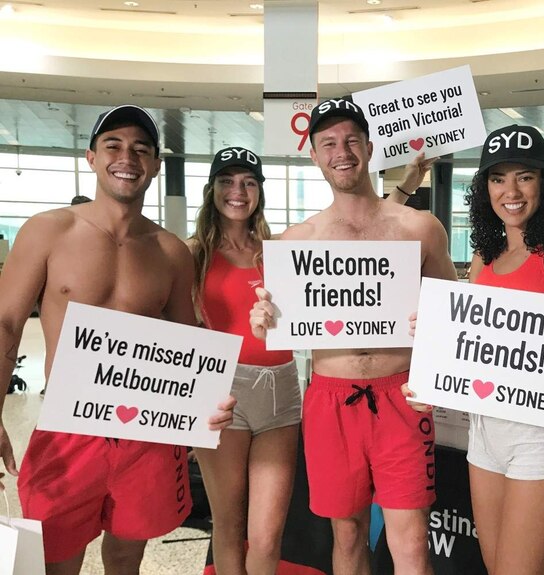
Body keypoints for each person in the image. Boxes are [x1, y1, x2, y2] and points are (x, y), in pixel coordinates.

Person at [0, 104, 235, 575]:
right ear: (90, 157)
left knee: (127, 557)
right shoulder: (48, 232)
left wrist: (204, 403)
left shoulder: (170, 252)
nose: (127, 157)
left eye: (140, 149)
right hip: (69, 428)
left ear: (154, 165)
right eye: (113, 145)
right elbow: (6, 325)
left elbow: (187, 341)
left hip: (145, 433)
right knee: (57, 558)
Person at [250, 98, 457, 575]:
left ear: (369, 146)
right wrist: (265, 318)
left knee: (411, 544)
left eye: (350, 140)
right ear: (315, 155)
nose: (341, 152)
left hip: (400, 395)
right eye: (328, 143)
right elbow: (278, 323)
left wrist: (433, 325)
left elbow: (453, 319)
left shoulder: (419, 229)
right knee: (346, 538)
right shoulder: (297, 241)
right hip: (329, 399)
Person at [404, 124, 544, 574]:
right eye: (498, 179)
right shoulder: (484, 257)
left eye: (525, 176)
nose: (511, 191)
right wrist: (434, 360)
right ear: (484, 189)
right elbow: (474, 345)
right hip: (486, 431)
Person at [188, 147, 301, 575]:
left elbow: (350, 252)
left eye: (249, 182)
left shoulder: (278, 251)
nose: (238, 191)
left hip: (282, 391)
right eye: (227, 181)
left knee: (269, 533)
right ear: (212, 190)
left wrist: (402, 189)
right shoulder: (193, 253)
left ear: (260, 192)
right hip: (223, 391)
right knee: (230, 523)